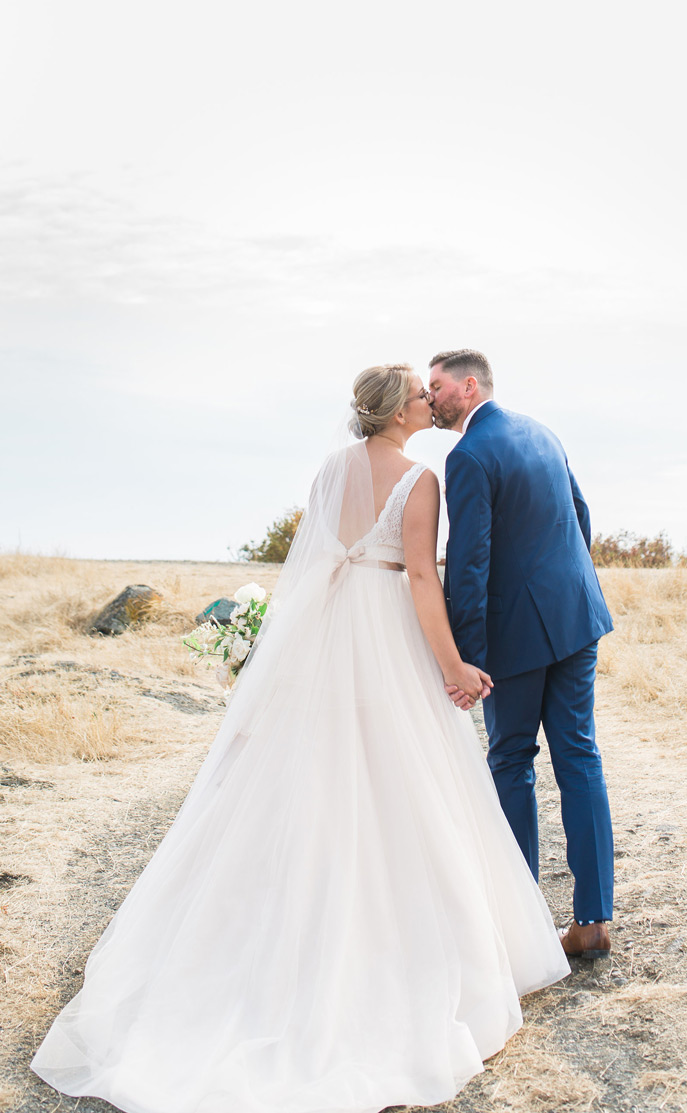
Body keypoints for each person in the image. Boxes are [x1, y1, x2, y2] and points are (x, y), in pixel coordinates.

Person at [31, 364, 569, 1113]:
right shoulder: (419, 482)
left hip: (323, 635)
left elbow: (314, 562)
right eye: (418, 393)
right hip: (384, 636)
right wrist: (454, 665)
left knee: (312, 773)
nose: (426, 401)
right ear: (394, 412)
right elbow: (419, 577)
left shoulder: (328, 470)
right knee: (400, 779)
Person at [428, 349, 615, 959]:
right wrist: (563, 588)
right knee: (580, 755)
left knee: (510, 760)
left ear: (469, 385)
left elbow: (470, 563)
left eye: (436, 387)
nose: (429, 398)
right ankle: (593, 921)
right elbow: (580, 516)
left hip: (517, 636)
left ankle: (522, 924)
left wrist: (467, 659)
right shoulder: (542, 431)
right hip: (576, 615)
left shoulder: (470, 454)